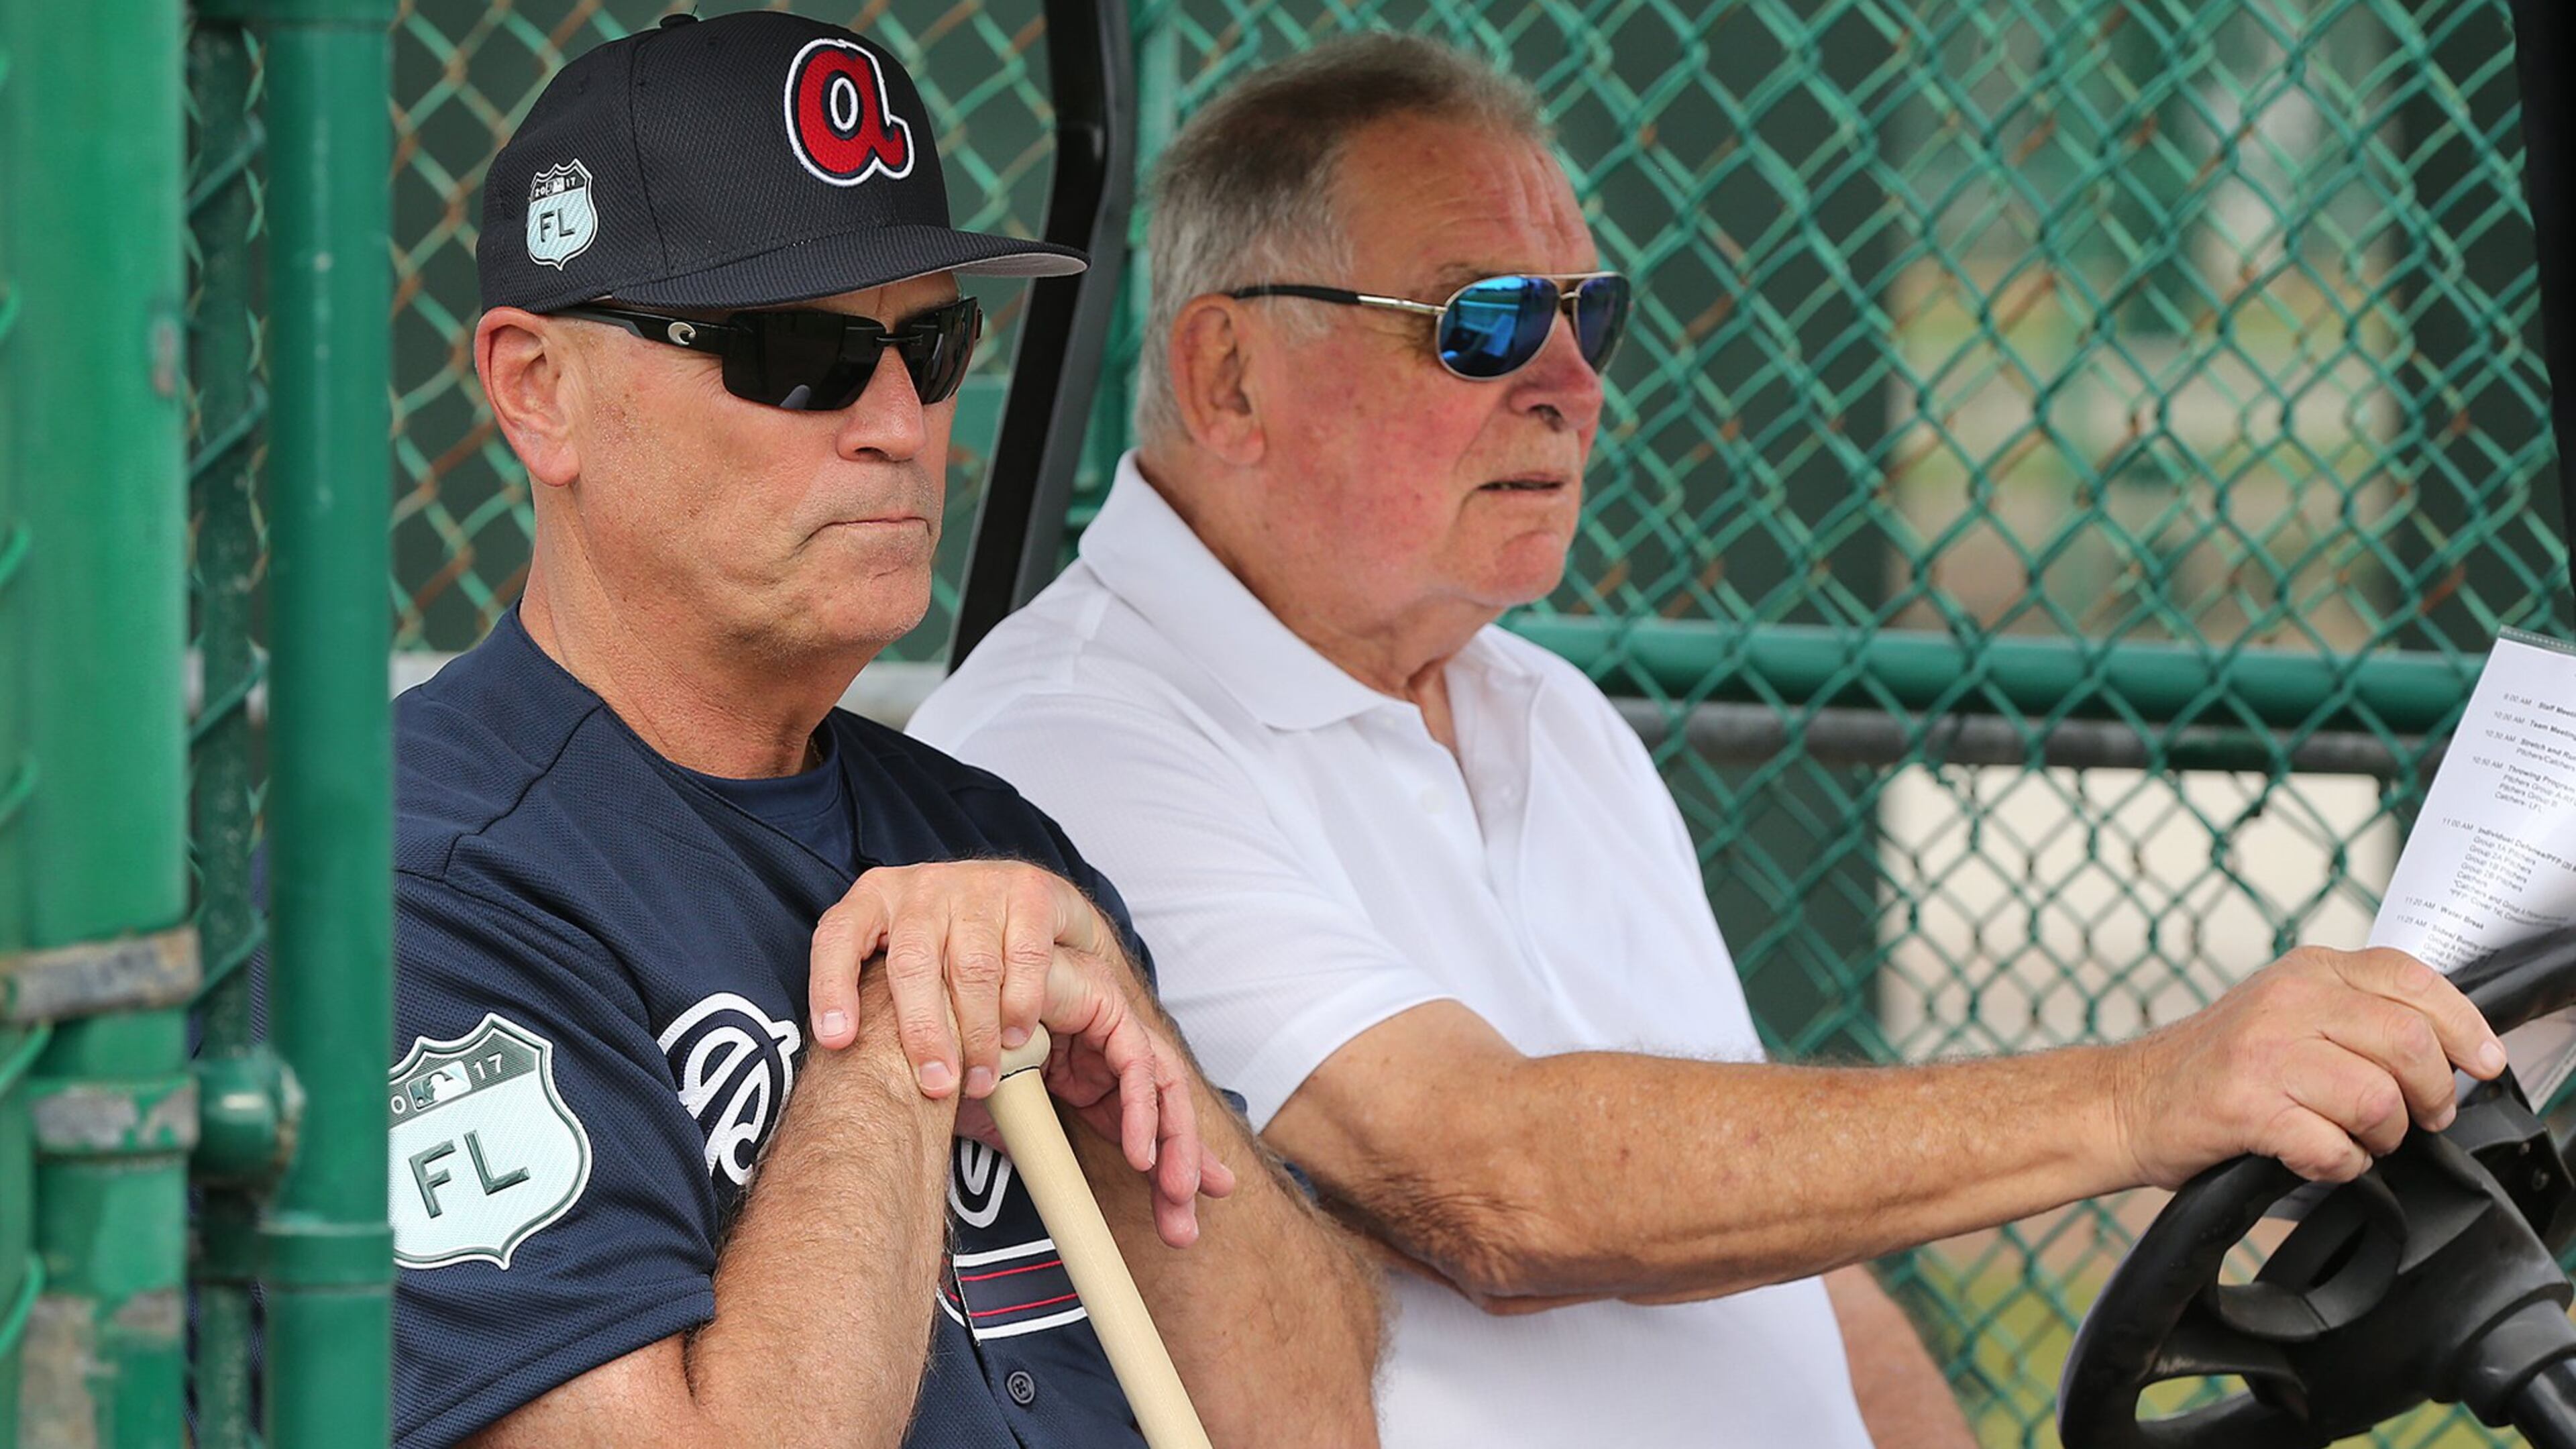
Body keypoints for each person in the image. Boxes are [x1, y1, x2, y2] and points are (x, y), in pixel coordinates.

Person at [908, 34, 2512, 1448]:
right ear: (1227, 370)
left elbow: (1800, 1272)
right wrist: (2136, 1102)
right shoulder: (1066, 746)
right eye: (1479, 323)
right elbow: (1489, 1185)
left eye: (1586, 311)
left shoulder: (1551, 714)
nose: (1566, 381)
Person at [387, 13, 1380, 1448]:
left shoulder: (989, 845)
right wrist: (894, 1049)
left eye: (933, 343)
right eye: (801, 357)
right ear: (541, 391)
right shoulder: (422, 896)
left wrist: (1127, 1053)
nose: (903, 423)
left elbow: (1317, 1423)